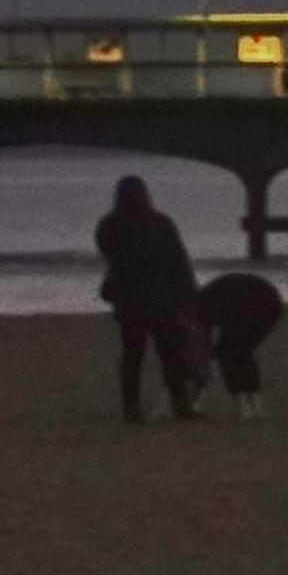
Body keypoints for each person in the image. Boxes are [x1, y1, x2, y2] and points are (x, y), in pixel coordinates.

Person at [94, 175, 205, 422]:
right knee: (170, 352)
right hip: (161, 297)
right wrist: (189, 295)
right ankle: (181, 404)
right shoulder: (160, 223)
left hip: (128, 299)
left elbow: (110, 257)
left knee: (133, 353)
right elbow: (178, 261)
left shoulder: (109, 225)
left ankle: (131, 407)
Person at [195, 270, 286, 418]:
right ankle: (255, 402)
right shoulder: (211, 294)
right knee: (243, 350)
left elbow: (209, 342)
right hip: (271, 303)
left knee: (227, 352)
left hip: (257, 304)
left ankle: (242, 402)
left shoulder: (204, 306)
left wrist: (209, 355)